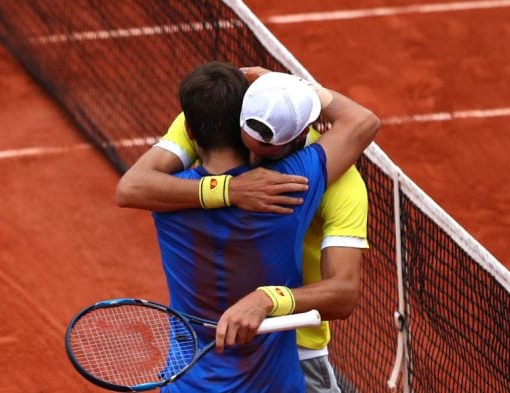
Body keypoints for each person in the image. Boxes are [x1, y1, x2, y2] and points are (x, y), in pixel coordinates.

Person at [117, 67, 370, 393]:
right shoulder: (295, 187)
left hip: (190, 380)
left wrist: (223, 190)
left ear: (191, 132)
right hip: (275, 367)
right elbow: (362, 122)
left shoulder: (165, 197)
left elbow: (131, 188)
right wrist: (298, 87)